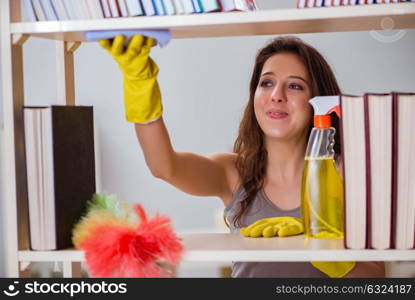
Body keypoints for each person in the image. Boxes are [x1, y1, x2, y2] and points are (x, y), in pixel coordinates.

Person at [99, 35, 385, 278]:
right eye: (266, 83)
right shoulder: (232, 172)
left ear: (318, 101)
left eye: (295, 85)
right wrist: (139, 84)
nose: (277, 95)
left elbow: (377, 277)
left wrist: (331, 258)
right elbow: (164, 166)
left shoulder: (349, 174)